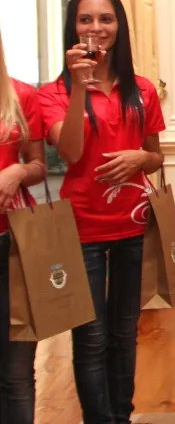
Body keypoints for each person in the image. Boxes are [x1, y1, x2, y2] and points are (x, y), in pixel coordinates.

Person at [38, 0, 166, 424]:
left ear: (119, 26)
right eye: (86, 19)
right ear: (73, 28)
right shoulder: (53, 93)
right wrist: (79, 88)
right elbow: (70, 152)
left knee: (125, 333)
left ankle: (122, 417)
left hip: (132, 223)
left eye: (105, 18)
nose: (96, 27)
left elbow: (156, 155)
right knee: (91, 338)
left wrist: (140, 159)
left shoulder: (142, 90)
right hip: (80, 228)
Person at [0, 30, 47, 424]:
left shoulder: (21, 96)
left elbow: (39, 166)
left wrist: (17, 172)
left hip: (14, 244)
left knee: (16, 373)